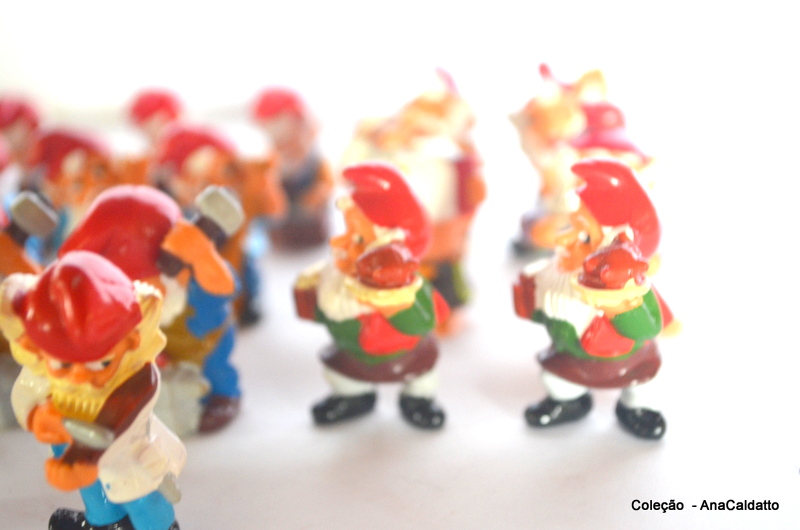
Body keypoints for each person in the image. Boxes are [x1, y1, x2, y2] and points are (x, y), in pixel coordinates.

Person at [0, 251, 185, 530]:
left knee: (142, 497)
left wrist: (84, 456)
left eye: (102, 363)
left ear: (131, 341)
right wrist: (39, 417)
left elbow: (123, 416)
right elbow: (27, 393)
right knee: (93, 490)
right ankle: (103, 521)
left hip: (129, 455)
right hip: (70, 442)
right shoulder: (44, 362)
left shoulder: (137, 378)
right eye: (63, 364)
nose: (80, 375)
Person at [513, 158, 674, 439]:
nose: (564, 240)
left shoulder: (629, 292)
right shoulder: (558, 273)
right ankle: (569, 402)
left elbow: (648, 327)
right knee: (555, 380)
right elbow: (547, 311)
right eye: (570, 227)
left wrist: (620, 308)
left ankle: (636, 408)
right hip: (571, 356)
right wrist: (530, 300)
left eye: (584, 236)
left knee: (643, 385)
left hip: (628, 360)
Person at [294, 163, 450, 429]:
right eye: (345, 231)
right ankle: (353, 397)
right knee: (341, 376)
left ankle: (417, 399)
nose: (337, 243)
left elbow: (424, 321)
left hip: (407, 354)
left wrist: (395, 307)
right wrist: (311, 299)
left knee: (422, 377)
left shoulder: (408, 289)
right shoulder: (336, 281)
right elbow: (326, 312)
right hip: (351, 355)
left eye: (357, 239)